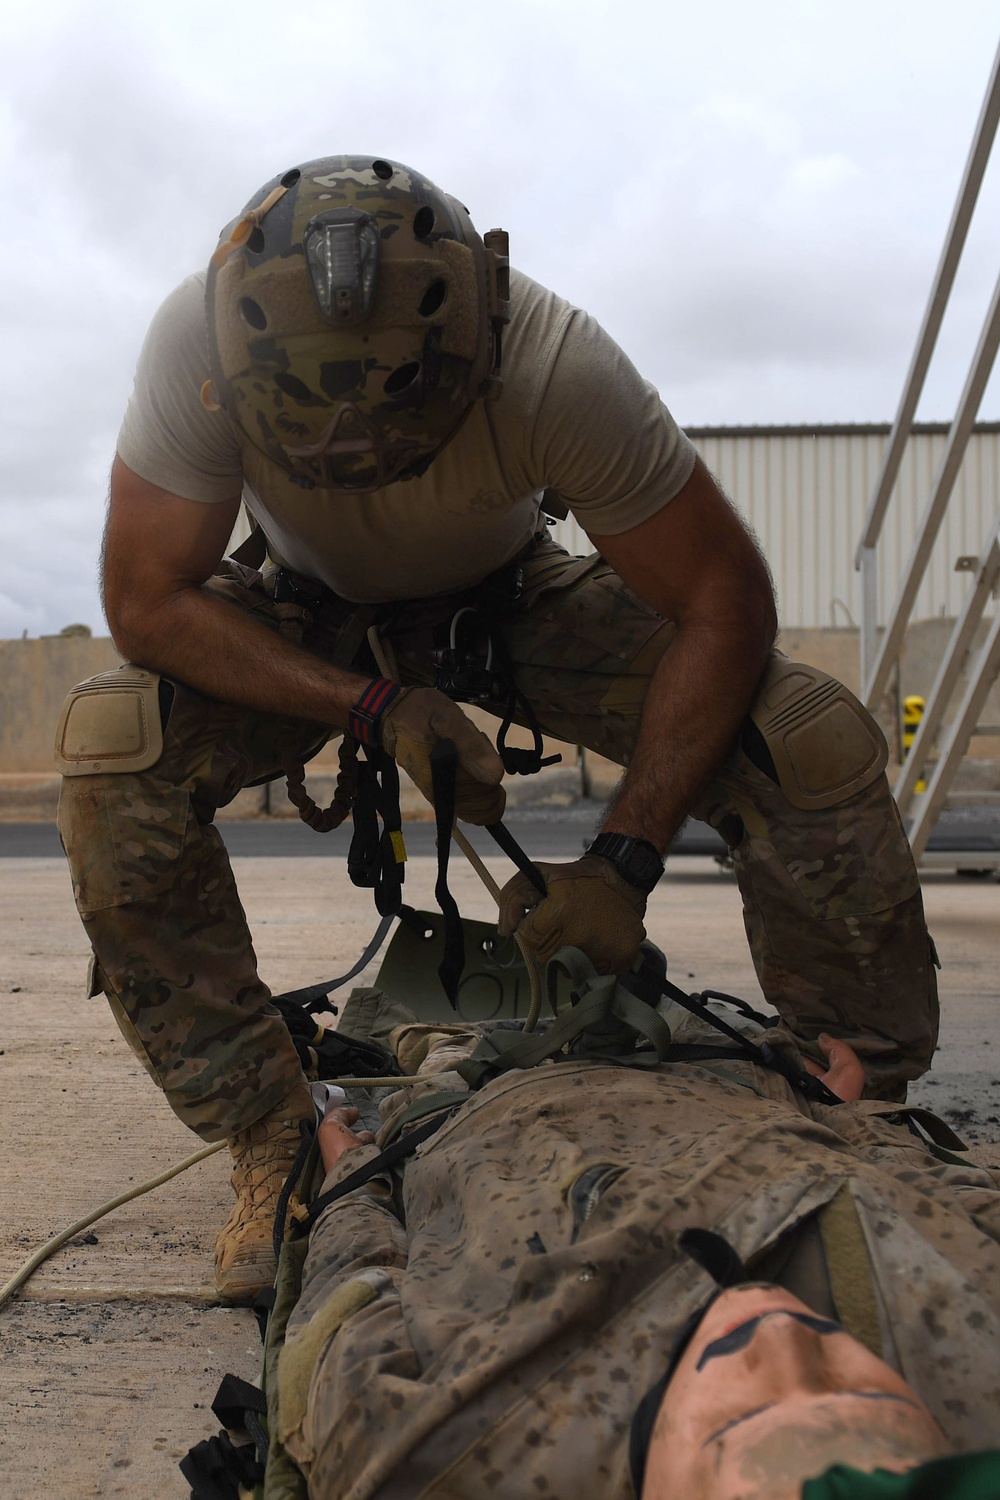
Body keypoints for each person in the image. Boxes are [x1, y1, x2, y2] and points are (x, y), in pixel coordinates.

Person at [55, 155, 939, 1301]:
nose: (355, 461)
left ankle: (855, 1089)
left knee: (800, 730)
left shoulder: (557, 363)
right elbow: (148, 600)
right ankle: (270, 1135)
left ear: (472, 346)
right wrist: (373, 707)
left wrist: (622, 863)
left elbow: (723, 601)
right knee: (114, 743)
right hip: (305, 608)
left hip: (507, 596)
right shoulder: (197, 348)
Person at [271, 1007, 1000, 1500]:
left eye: (739, 1417)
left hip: (485, 1102)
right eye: (861, 1388)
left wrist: (348, 1177)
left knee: (434, 1035)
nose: (780, 1332)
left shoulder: (433, 1452)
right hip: (725, 1077)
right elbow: (941, 1180)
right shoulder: (981, 1329)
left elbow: (352, 1291)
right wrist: (838, 1112)